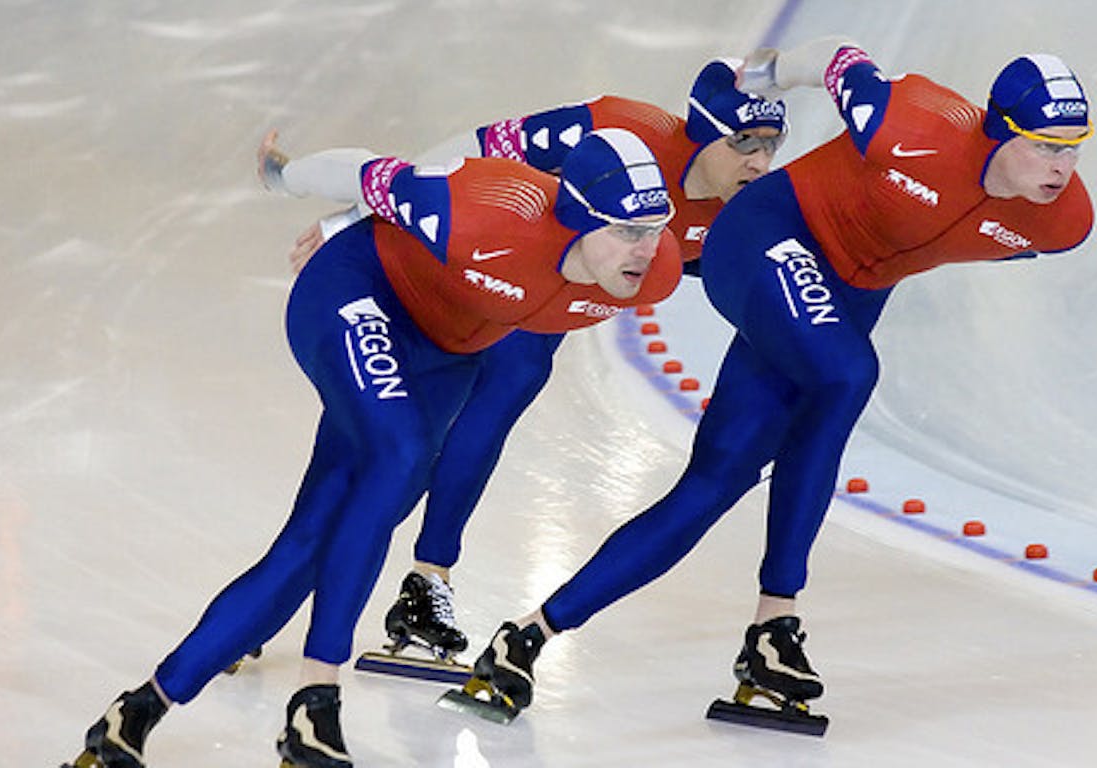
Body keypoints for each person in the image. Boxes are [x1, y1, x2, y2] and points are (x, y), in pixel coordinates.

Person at [457, 38, 1096, 723]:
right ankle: (778, 617)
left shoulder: (1063, 223)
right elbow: (837, 60)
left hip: (845, 291)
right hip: (766, 238)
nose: (1062, 166)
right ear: (1001, 130)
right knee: (849, 374)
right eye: (1046, 146)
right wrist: (761, 72)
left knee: (718, 480)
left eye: (1074, 148)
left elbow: (946, 233)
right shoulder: (909, 121)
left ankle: (527, 635)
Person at [60, 127, 682, 768]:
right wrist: (287, 176)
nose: (645, 248)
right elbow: (368, 173)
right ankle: (316, 698)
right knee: (402, 455)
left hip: (445, 356)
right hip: (357, 293)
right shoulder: (484, 212)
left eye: (654, 228)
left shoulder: (655, 269)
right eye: (625, 231)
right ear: (578, 219)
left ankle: (135, 714)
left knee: (310, 547)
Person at [279, 58, 789, 664]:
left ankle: (422, 579)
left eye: (771, 146)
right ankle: (365, 587)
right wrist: (360, 215)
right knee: (443, 424)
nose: (760, 161)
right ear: (704, 133)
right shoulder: (622, 129)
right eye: (744, 143)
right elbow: (467, 155)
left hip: (560, 295)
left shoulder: (743, 204)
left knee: (509, 383)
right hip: (499, 263)